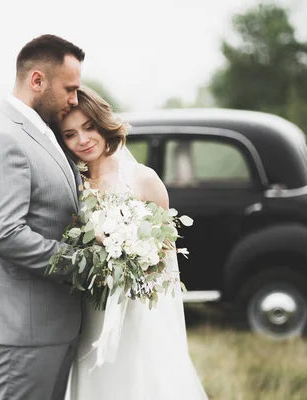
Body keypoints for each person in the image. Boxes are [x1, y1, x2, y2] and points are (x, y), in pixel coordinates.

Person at [57, 87, 209, 399]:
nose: (83, 140)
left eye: (89, 128)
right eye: (71, 134)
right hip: (92, 310)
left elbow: (167, 255)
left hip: (137, 311)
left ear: (103, 124)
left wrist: (133, 263)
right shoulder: (72, 186)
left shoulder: (142, 178)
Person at [0, 35, 85, 400]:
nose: (74, 100)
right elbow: (3, 233)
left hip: (52, 325)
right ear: (37, 81)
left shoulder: (40, 132)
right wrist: (82, 265)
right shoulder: (1, 138)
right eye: (70, 89)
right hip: (23, 330)